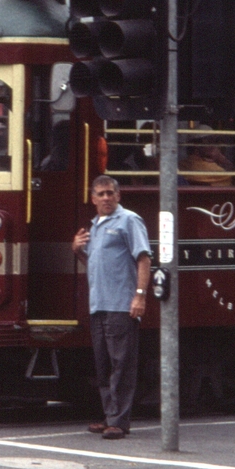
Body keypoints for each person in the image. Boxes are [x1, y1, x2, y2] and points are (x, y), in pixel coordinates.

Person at [71, 175, 151, 440]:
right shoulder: (94, 226)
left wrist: (139, 296)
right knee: (104, 364)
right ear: (93, 199)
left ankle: (119, 421)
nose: (106, 198)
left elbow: (143, 258)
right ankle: (109, 416)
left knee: (122, 364)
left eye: (110, 193)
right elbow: (95, 263)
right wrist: (78, 251)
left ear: (118, 196)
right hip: (99, 305)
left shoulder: (129, 220)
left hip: (120, 304)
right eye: (101, 194)